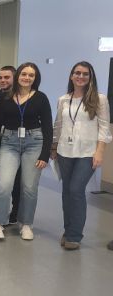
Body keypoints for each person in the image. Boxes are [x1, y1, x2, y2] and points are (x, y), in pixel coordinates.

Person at [51, 61, 111, 250]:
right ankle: (68, 231)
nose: (81, 76)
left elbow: (104, 128)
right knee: (67, 192)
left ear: (90, 77)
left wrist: (100, 151)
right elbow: (58, 124)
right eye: (77, 73)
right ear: (71, 76)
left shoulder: (99, 99)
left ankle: (75, 235)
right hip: (64, 151)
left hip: (87, 153)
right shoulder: (64, 99)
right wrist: (53, 147)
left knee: (76, 190)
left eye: (85, 74)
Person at [0, 62, 52, 240]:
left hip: (34, 143)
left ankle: (25, 224)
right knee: (3, 185)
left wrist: (45, 154)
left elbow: (47, 127)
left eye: (31, 75)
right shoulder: (6, 97)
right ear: (18, 76)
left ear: (35, 78)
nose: (27, 78)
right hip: (9, 142)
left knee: (29, 188)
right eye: (24, 74)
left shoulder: (41, 98)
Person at [0, 65, 21, 224]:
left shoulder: (21, 99)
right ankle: (2, 210)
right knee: (0, 179)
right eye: (0, 77)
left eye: (6, 77)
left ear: (14, 78)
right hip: (0, 147)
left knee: (18, 182)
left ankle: (16, 211)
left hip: (20, 146)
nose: (2, 80)